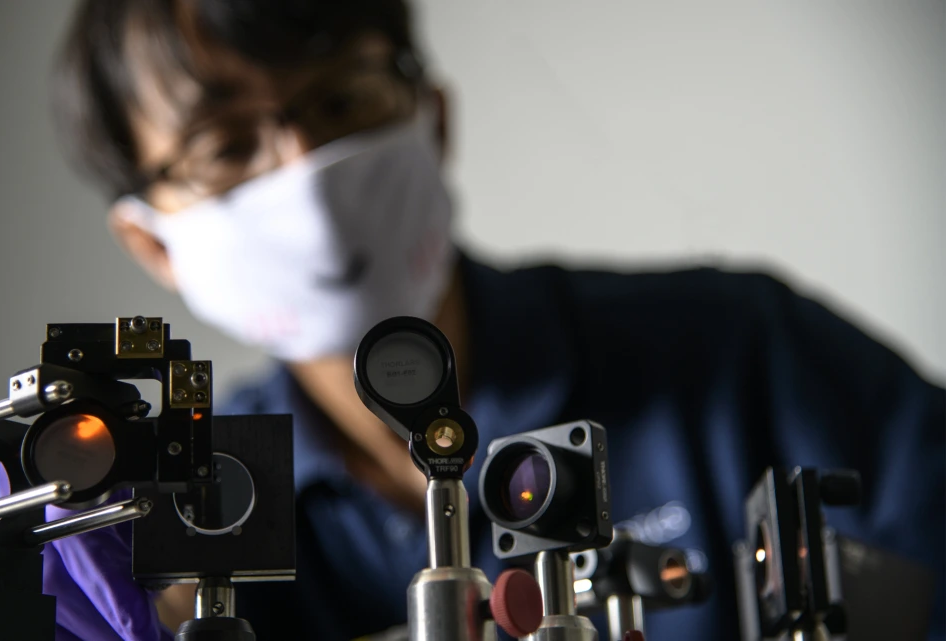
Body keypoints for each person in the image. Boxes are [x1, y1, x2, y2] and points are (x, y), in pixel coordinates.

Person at [46, 1, 945, 639]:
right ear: (151, 244)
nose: (304, 173)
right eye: (225, 146)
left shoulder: (740, 350)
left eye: (340, 103)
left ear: (432, 120)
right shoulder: (189, 517)